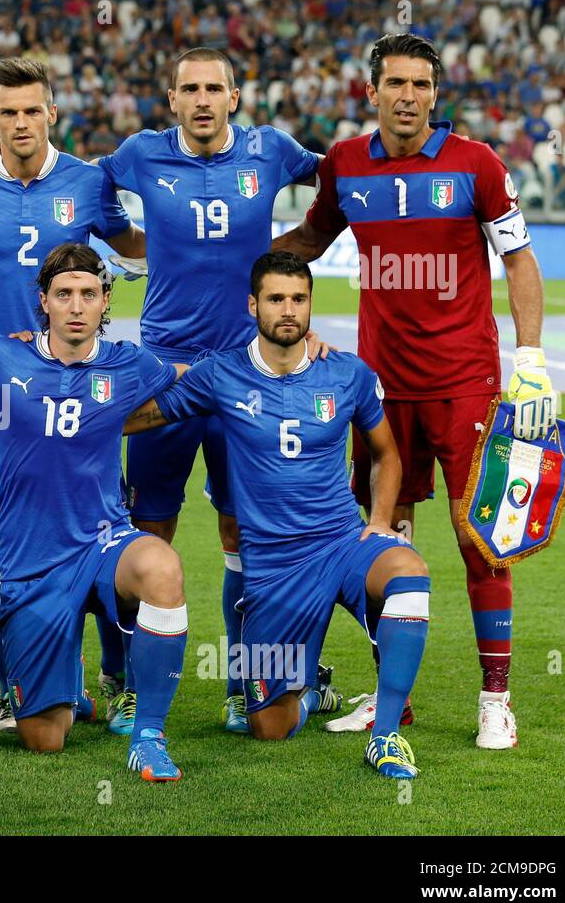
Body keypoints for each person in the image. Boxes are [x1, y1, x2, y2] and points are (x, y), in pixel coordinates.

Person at [273, 34, 554, 748]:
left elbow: (518, 258)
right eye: (395, 83)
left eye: (421, 85)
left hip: (464, 385)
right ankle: (390, 701)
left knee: (481, 539)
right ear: (372, 92)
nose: (407, 96)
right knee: (381, 540)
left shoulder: (476, 163)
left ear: (435, 93)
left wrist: (532, 356)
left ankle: (496, 699)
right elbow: (307, 238)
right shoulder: (344, 164)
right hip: (380, 390)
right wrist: (225, 262)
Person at [126, 252, 430, 777]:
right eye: (275, 299)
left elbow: (386, 452)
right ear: (253, 305)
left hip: (340, 544)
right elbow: (146, 416)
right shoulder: (221, 374)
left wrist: (379, 521)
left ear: (310, 304)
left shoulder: (348, 373)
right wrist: (72, 411)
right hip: (274, 569)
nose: (288, 310)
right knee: (268, 727)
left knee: (409, 573)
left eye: (298, 298)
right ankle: (312, 691)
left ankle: (386, 735)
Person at [95, 48, 326, 733]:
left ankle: (242, 683)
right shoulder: (139, 154)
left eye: (213, 89)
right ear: (170, 99)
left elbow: (342, 178)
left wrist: (290, 246)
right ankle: (128, 685)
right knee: (147, 533)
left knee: (243, 531)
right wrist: (132, 243)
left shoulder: (272, 150)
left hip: (244, 373)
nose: (201, 100)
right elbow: (85, 190)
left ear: (235, 96)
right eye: (188, 88)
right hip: (163, 370)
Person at [0, 58, 147, 734]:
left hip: (80, 390)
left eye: (32, 110)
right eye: (7, 111)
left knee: (101, 530)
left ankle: (116, 681)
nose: (20, 122)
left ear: (52, 113)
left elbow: (127, 245)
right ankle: (17, 686)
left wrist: (186, 241)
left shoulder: (89, 180)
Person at [0, 243, 188, 782]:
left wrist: (290, 353)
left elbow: (199, 379)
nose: (75, 306)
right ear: (42, 300)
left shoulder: (129, 363)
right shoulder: (1, 356)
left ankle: (149, 737)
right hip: (32, 559)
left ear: (104, 302)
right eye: (63, 294)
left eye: (88, 294)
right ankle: (69, 690)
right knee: (44, 739)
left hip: (104, 541)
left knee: (161, 568)